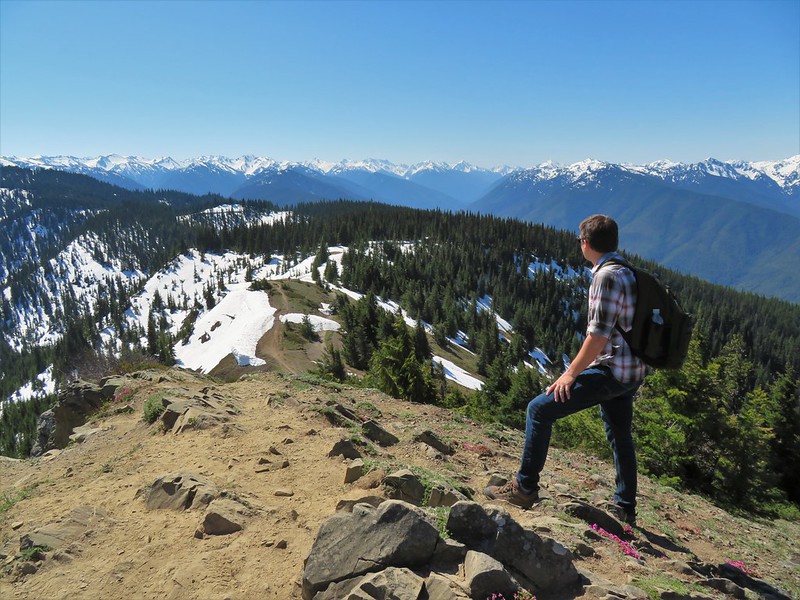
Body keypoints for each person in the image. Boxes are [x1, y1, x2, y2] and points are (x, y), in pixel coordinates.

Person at [484, 214, 647, 524]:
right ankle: (625, 507)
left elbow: (598, 335)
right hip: (633, 370)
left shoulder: (605, 277)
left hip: (611, 370)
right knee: (620, 435)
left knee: (539, 409)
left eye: (579, 240)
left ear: (585, 243)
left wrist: (570, 373)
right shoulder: (628, 270)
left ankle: (524, 488)